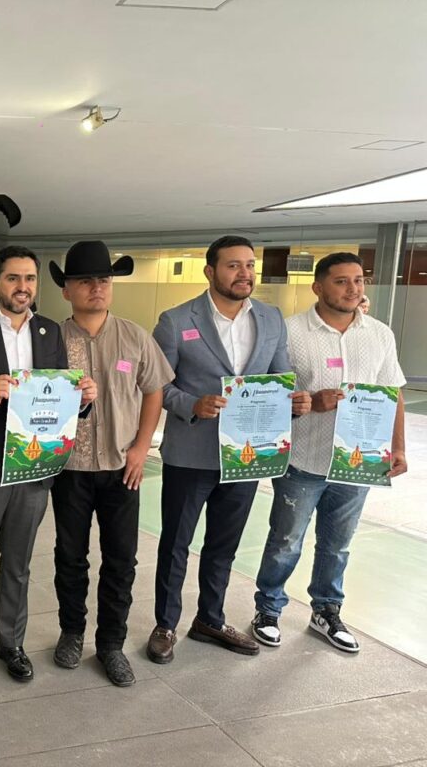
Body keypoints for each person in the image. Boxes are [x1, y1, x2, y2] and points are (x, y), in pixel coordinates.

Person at [148, 235, 311, 664]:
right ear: (210, 271)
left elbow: (280, 378)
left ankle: (210, 619)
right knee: (176, 543)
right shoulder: (176, 320)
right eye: (233, 265)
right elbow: (157, 385)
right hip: (191, 454)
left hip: (245, 455)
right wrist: (191, 404)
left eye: (249, 265)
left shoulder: (271, 319)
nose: (244, 273)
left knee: (224, 544)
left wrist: (293, 403)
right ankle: (165, 624)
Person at [0, 245, 96, 691]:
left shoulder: (49, 331)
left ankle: (11, 643)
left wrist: (82, 400)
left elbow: (60, 396)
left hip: (33, 467)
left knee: (18, 563)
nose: (23, 287)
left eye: (30, 278)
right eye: (13, 278)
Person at [251, 252, 407, 652]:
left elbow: (392, 393)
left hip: (357, 464)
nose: (353, 288)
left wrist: (398, 447)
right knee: (285, 541)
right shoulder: (290, 332)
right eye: (341, 281)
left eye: (358, 280)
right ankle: (268, 609)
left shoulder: (380, 334)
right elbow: (267, 392)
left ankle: (326, 610)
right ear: (318, 287)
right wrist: (308, 401)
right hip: (303, 460)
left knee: (337, 544)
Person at [48, 241, 174, 686]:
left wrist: (142, 447)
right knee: (70, 556)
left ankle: (111, 644)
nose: (96, 287)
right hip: (69, 469)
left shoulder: (135, 337)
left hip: (124, 468)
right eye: (85, 281)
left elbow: (154, 390)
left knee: (121, 560)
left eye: (103, 279)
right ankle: (71, 633)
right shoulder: (51, 341)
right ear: (66, 290)